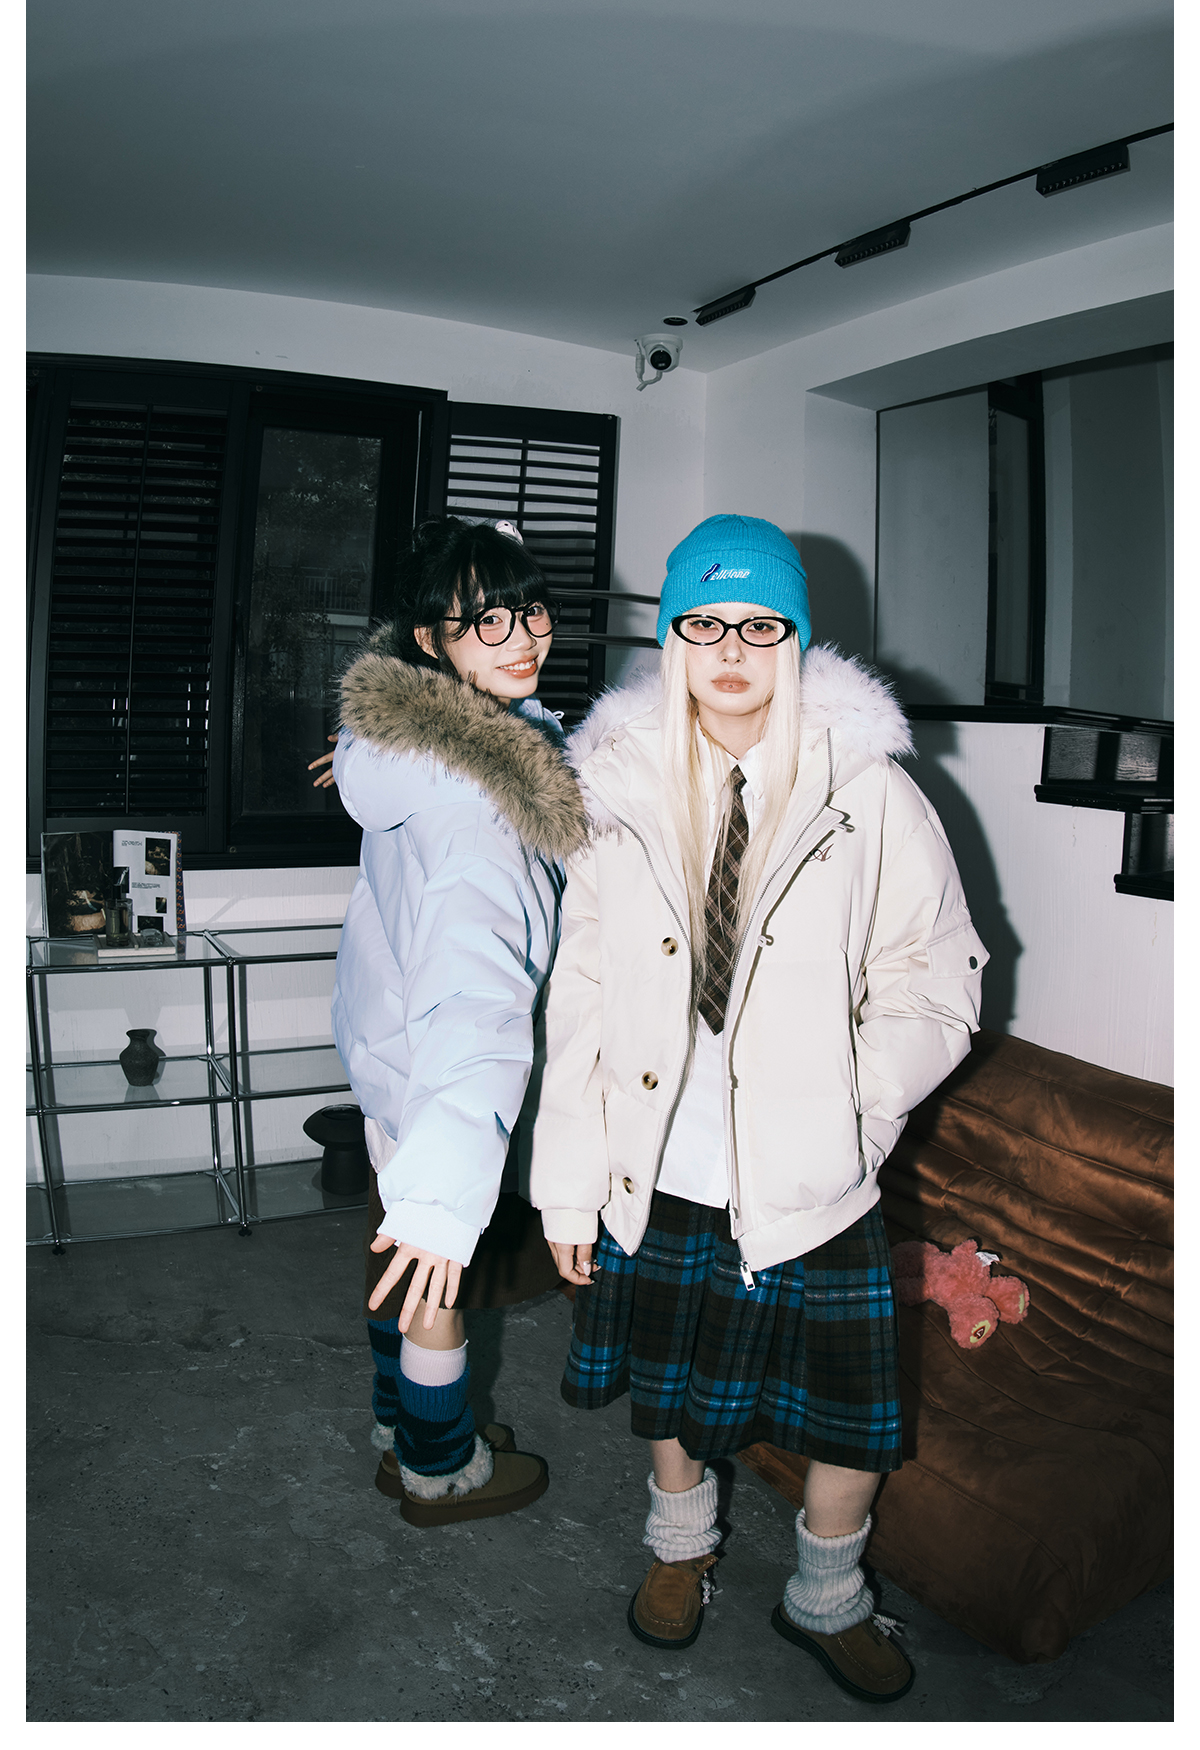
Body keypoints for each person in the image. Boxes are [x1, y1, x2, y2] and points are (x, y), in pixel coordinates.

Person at [529, 514, 987, 1703]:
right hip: (661, 1162)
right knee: (671, 1389)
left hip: (813, 1174)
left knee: (852, 1421)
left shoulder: (870, 789)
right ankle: (679, 1548)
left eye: (760, 624)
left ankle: (826, 1593)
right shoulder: (611, 790)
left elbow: (939, 977)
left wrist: (855, 1106)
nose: (731, 649)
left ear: (796, 638)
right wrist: (567, 1184)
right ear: (672, 637)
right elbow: (581, 994)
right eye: (704, 622)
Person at [330, 515, 587, 1526]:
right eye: (485, 621)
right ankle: (438, 1468)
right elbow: (476, 998)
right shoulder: (480, 807)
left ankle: (396, 1422)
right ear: (431, 642)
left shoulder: (403, 743)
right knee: (433, 1274)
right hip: (438, 1065)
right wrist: (447, 1199)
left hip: (387, 1047)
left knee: (398, 1252)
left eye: (530, 608)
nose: (523, 637)